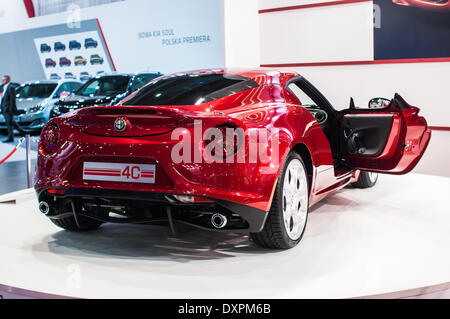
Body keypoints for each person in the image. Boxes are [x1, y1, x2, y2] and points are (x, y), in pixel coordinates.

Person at [1, 75, 24, 142]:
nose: (3, 81)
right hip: (4, 108)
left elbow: (12, 99)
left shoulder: (11, 87)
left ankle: (11, 137)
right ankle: (23, 131)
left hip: (8, 108)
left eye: (4, 80)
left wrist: (11, 108)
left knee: (9, 123)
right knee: (11, 122)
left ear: (8, 80)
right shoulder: (3, 87)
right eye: (2, 80)